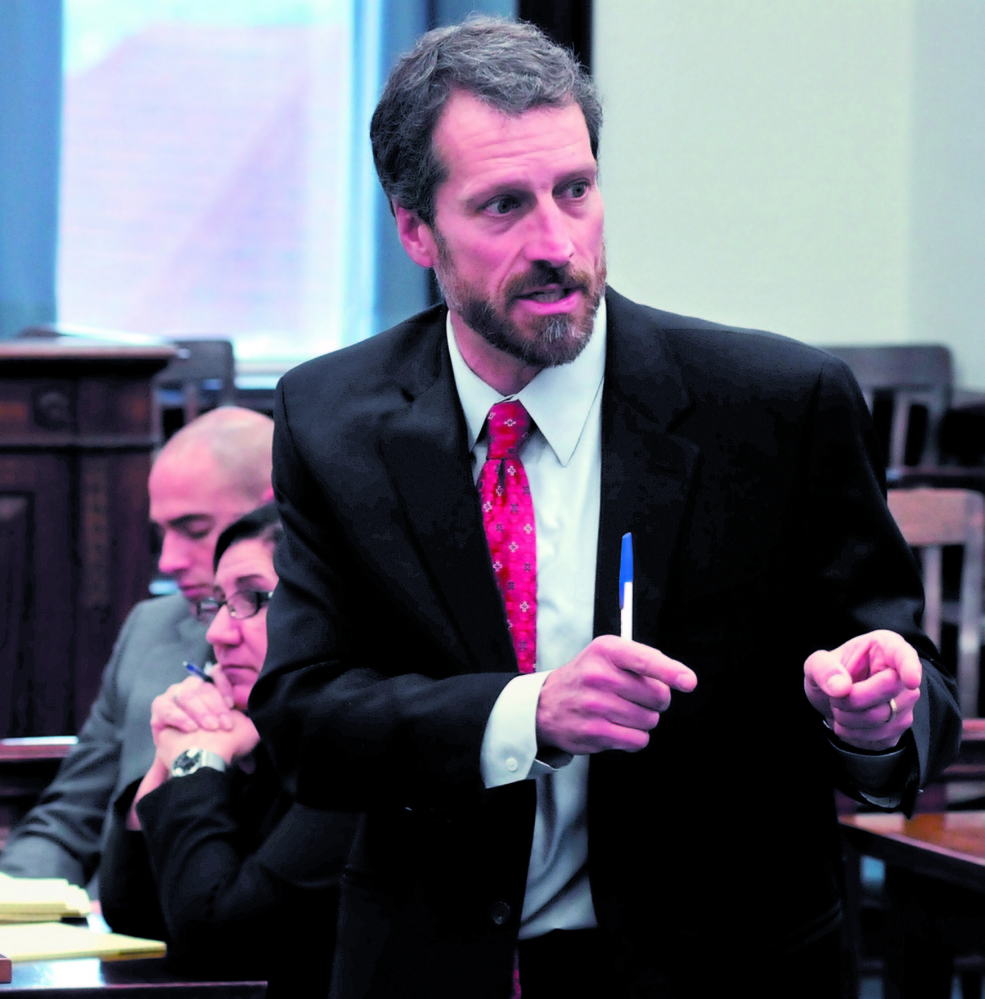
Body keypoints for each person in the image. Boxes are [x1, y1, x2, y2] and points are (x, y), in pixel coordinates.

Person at [249, 17, 962, 999]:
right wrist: (527, 711)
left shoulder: (774, 407)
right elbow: (305, 724)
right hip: (436, 963)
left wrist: (875, 716)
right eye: (502, 206)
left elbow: (899, 688)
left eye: (574, 192)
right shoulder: (333, 418)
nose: (555, 243)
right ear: (416, 230)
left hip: (722, 968)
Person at [0, 406, 274, 886]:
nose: (167, 561)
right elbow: (71, 818)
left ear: (272, 510)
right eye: (160, 534)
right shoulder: (150, 628)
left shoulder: (337, 656)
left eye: (194, 530)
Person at [99, 505, 357, 997]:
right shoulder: (256, 734)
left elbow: (219, 941)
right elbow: (131, 910)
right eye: (218, 603)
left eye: (255, 599)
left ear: (332, 608)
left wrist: (196, 763)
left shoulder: (354, 757)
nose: (218, 632)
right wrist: (170, 752)